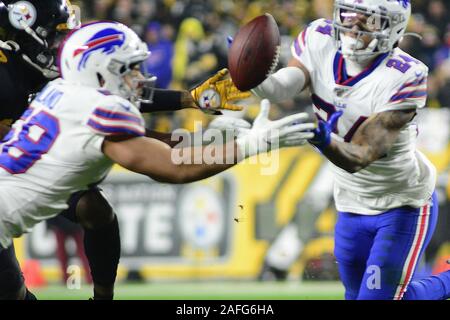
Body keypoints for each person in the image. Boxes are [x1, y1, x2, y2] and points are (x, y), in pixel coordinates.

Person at [0, 20, 315, 303]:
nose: (139, 77)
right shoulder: (99, 111)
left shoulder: (60, 93)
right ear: (99, 70)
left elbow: (148, 144)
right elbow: (175, 168)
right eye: (130, 68)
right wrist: (252, 144)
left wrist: (207, 138)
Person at [228, 0, 450, 300]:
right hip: (350, 201)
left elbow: (360, 155)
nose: (354, 24)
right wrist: (256, 80)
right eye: (350, 13)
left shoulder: (406, 74)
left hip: (401, 203)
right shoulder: (320, 37)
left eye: (369, 19)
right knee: (359, 296)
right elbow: (286, 84)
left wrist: (322, 139)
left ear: (393, 26)